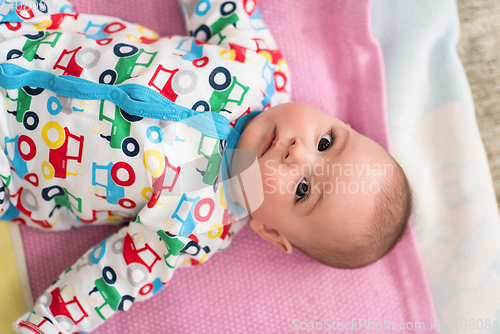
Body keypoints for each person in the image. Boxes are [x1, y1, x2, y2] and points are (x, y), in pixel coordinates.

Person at [0, 0, 411, 333]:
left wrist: (49, 324)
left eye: (302, 190)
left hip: (12, 158)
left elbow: (113, 277)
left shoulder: (198, 222)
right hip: (27, 30)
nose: (298, 153)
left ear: (269, 229)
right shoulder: (258, 66)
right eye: (326, 142)